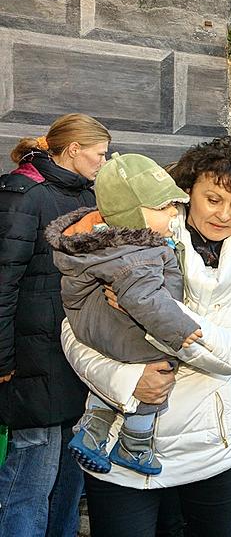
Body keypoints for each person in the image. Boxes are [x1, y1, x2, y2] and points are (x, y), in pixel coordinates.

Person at [60, 137, 231, 536]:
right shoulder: (133, 234)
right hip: (121, 442)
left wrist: (153, 314)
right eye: (213, 199)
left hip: (210, 447)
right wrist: (127, 381)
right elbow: (75, 331)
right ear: (188, 189)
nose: (223, 214)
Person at [46, 153, 200, 477]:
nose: (173, 212)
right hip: (113, 327)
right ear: (132, 213)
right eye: (162, 207)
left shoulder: (105, 239)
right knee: (159, 363)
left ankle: (91, 432)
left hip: (92, 325)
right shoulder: (138, 254)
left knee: (127, 354)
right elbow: (145, 299)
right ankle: (135, 444)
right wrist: (182, 328)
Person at [0, 113, 110, 536]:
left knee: (70, 482)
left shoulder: (85, 195)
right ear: (73, 149)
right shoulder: (23, 195)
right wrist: (4, 360)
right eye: (99, 153)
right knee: (29, 484)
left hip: (77, 361)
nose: (104, 161)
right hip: (33, 366)